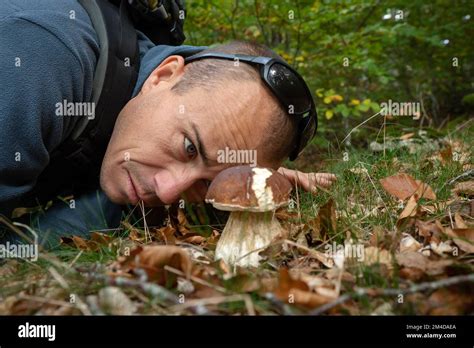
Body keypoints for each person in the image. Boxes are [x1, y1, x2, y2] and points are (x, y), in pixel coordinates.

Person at [0, 0, 335, 247]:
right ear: (163, 76)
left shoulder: (138, 107)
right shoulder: (39, 58)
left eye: (204, 184)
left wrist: (244, 181)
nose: (169, 191)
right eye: (189, 147)